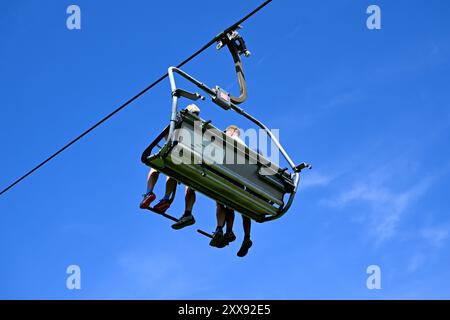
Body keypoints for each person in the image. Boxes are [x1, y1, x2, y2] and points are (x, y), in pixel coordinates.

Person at [139, 104, 200, 230]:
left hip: (175, 159)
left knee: (157, 166)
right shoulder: (200, 130)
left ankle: (149, 193)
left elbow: (165, 136)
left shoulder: (177, 123)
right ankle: (171, 201)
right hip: (191, 164)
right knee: (178, 175)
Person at [208, 125, 253, 257]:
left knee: (220, 202)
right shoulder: (245, 147)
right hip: (242, 184)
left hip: (230, 180)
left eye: (225, 131)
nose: (224, 133)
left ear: (233, 131)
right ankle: (242, 235)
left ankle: (221, 228)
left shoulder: (230, 141)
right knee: (240, 208)